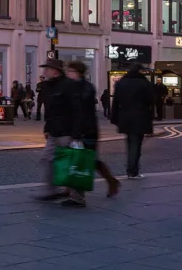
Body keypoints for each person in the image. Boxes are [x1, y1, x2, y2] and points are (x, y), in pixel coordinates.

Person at [56, 59, 119, 207]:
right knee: (86, 159)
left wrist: (77, 133)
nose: (68, 73)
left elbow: (81, 113)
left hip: (86, 131)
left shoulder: (84, 88)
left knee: (82, 160)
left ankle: (78, 195)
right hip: (81, 129)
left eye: (70, 71)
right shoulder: (74, 86)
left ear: (78, 73)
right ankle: (108, 181)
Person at [110, 61, 155, 180]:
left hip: (125, 117)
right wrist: (151, 118)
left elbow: (116, 102)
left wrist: (114, 118)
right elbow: (150, 102)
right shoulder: (144, 83)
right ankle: (132, 171)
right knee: (136, 143)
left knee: (130, 141)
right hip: (140, 116)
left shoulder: (121, 83)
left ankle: (132, 169)